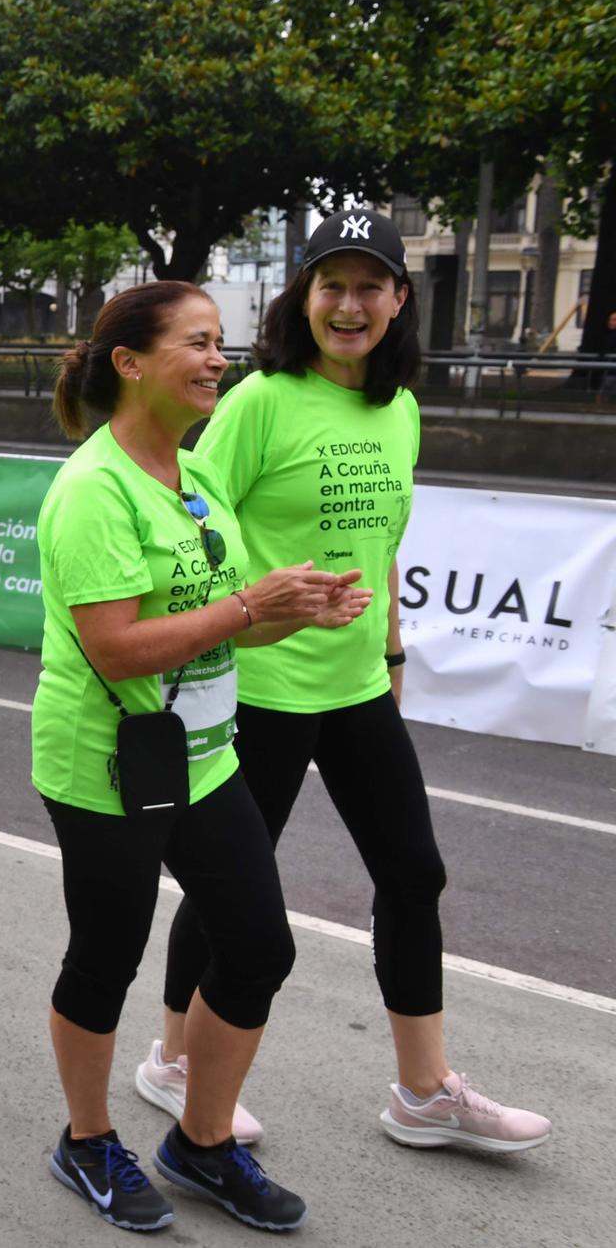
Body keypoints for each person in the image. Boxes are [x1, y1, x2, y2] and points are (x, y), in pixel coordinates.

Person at [140, 210, 553, 1155]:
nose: (350, 303)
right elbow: (185, 526)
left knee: (414, 872)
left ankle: (422, 1089)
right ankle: (171, 1058)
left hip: (357, 685)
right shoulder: (259, 402)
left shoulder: (397, 408)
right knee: (231, 888)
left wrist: (394, 656)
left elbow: (385, 547)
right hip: (260, 688)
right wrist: (239, 614)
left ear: (400, 299)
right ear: (306, 297)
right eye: (332, 285)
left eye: (370, 285)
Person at [35, 280, 373, 1235]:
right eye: (197, 341)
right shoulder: (93, 489)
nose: (219, 357)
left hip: (203, 755)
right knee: (106, 954)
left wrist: (288, 613)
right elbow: (116, 647)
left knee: (261, 945)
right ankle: (89, 1138)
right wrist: (247, 609)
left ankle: (203, 1141)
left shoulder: (197, 474)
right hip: (106, 760)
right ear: (131, 362)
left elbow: (212, 634)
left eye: (221, 340)